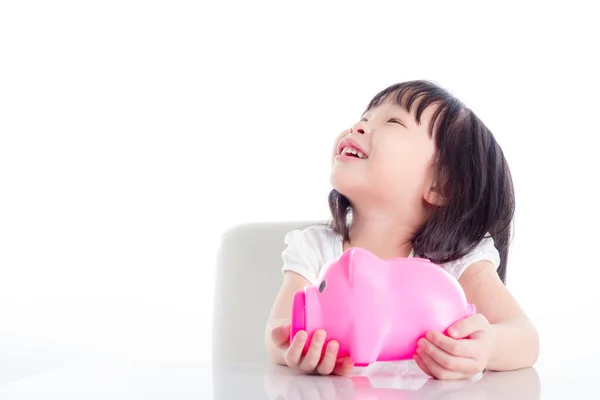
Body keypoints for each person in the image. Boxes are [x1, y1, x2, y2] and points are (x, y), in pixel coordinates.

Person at [264, 80, 539, 380]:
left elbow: (525, 338)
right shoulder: (315, 249)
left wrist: (487, 348)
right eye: (365, 117)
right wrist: (301, 351)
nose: (358, 126)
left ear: (441, 185)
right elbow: (277, 330)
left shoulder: (456, 261)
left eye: (393, 121)